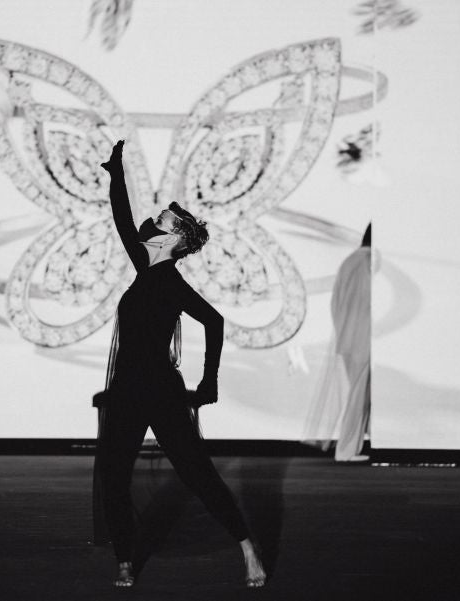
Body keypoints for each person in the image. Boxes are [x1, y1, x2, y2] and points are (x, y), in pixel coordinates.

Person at [96, 140, 266, 588]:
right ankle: (125, 559)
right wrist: (117, 175)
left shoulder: (170, 282)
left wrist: (209, 380)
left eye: (161, 221)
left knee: (197, 475)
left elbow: (214, 320)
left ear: (172, 238)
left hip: (160, 392)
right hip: (129, 390)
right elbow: (122, 219)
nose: (152, 221)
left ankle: (248, 548)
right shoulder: (142, 264)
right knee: (114, 477)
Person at [301, 224, 372, 461]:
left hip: (348, 337)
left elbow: (336, 302)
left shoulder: (350, 261)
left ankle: (354, 445)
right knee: (359, 394)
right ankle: (347, 450)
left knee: (358, 392)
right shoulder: (370, 262)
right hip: (364, 338)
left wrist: (342, 330)